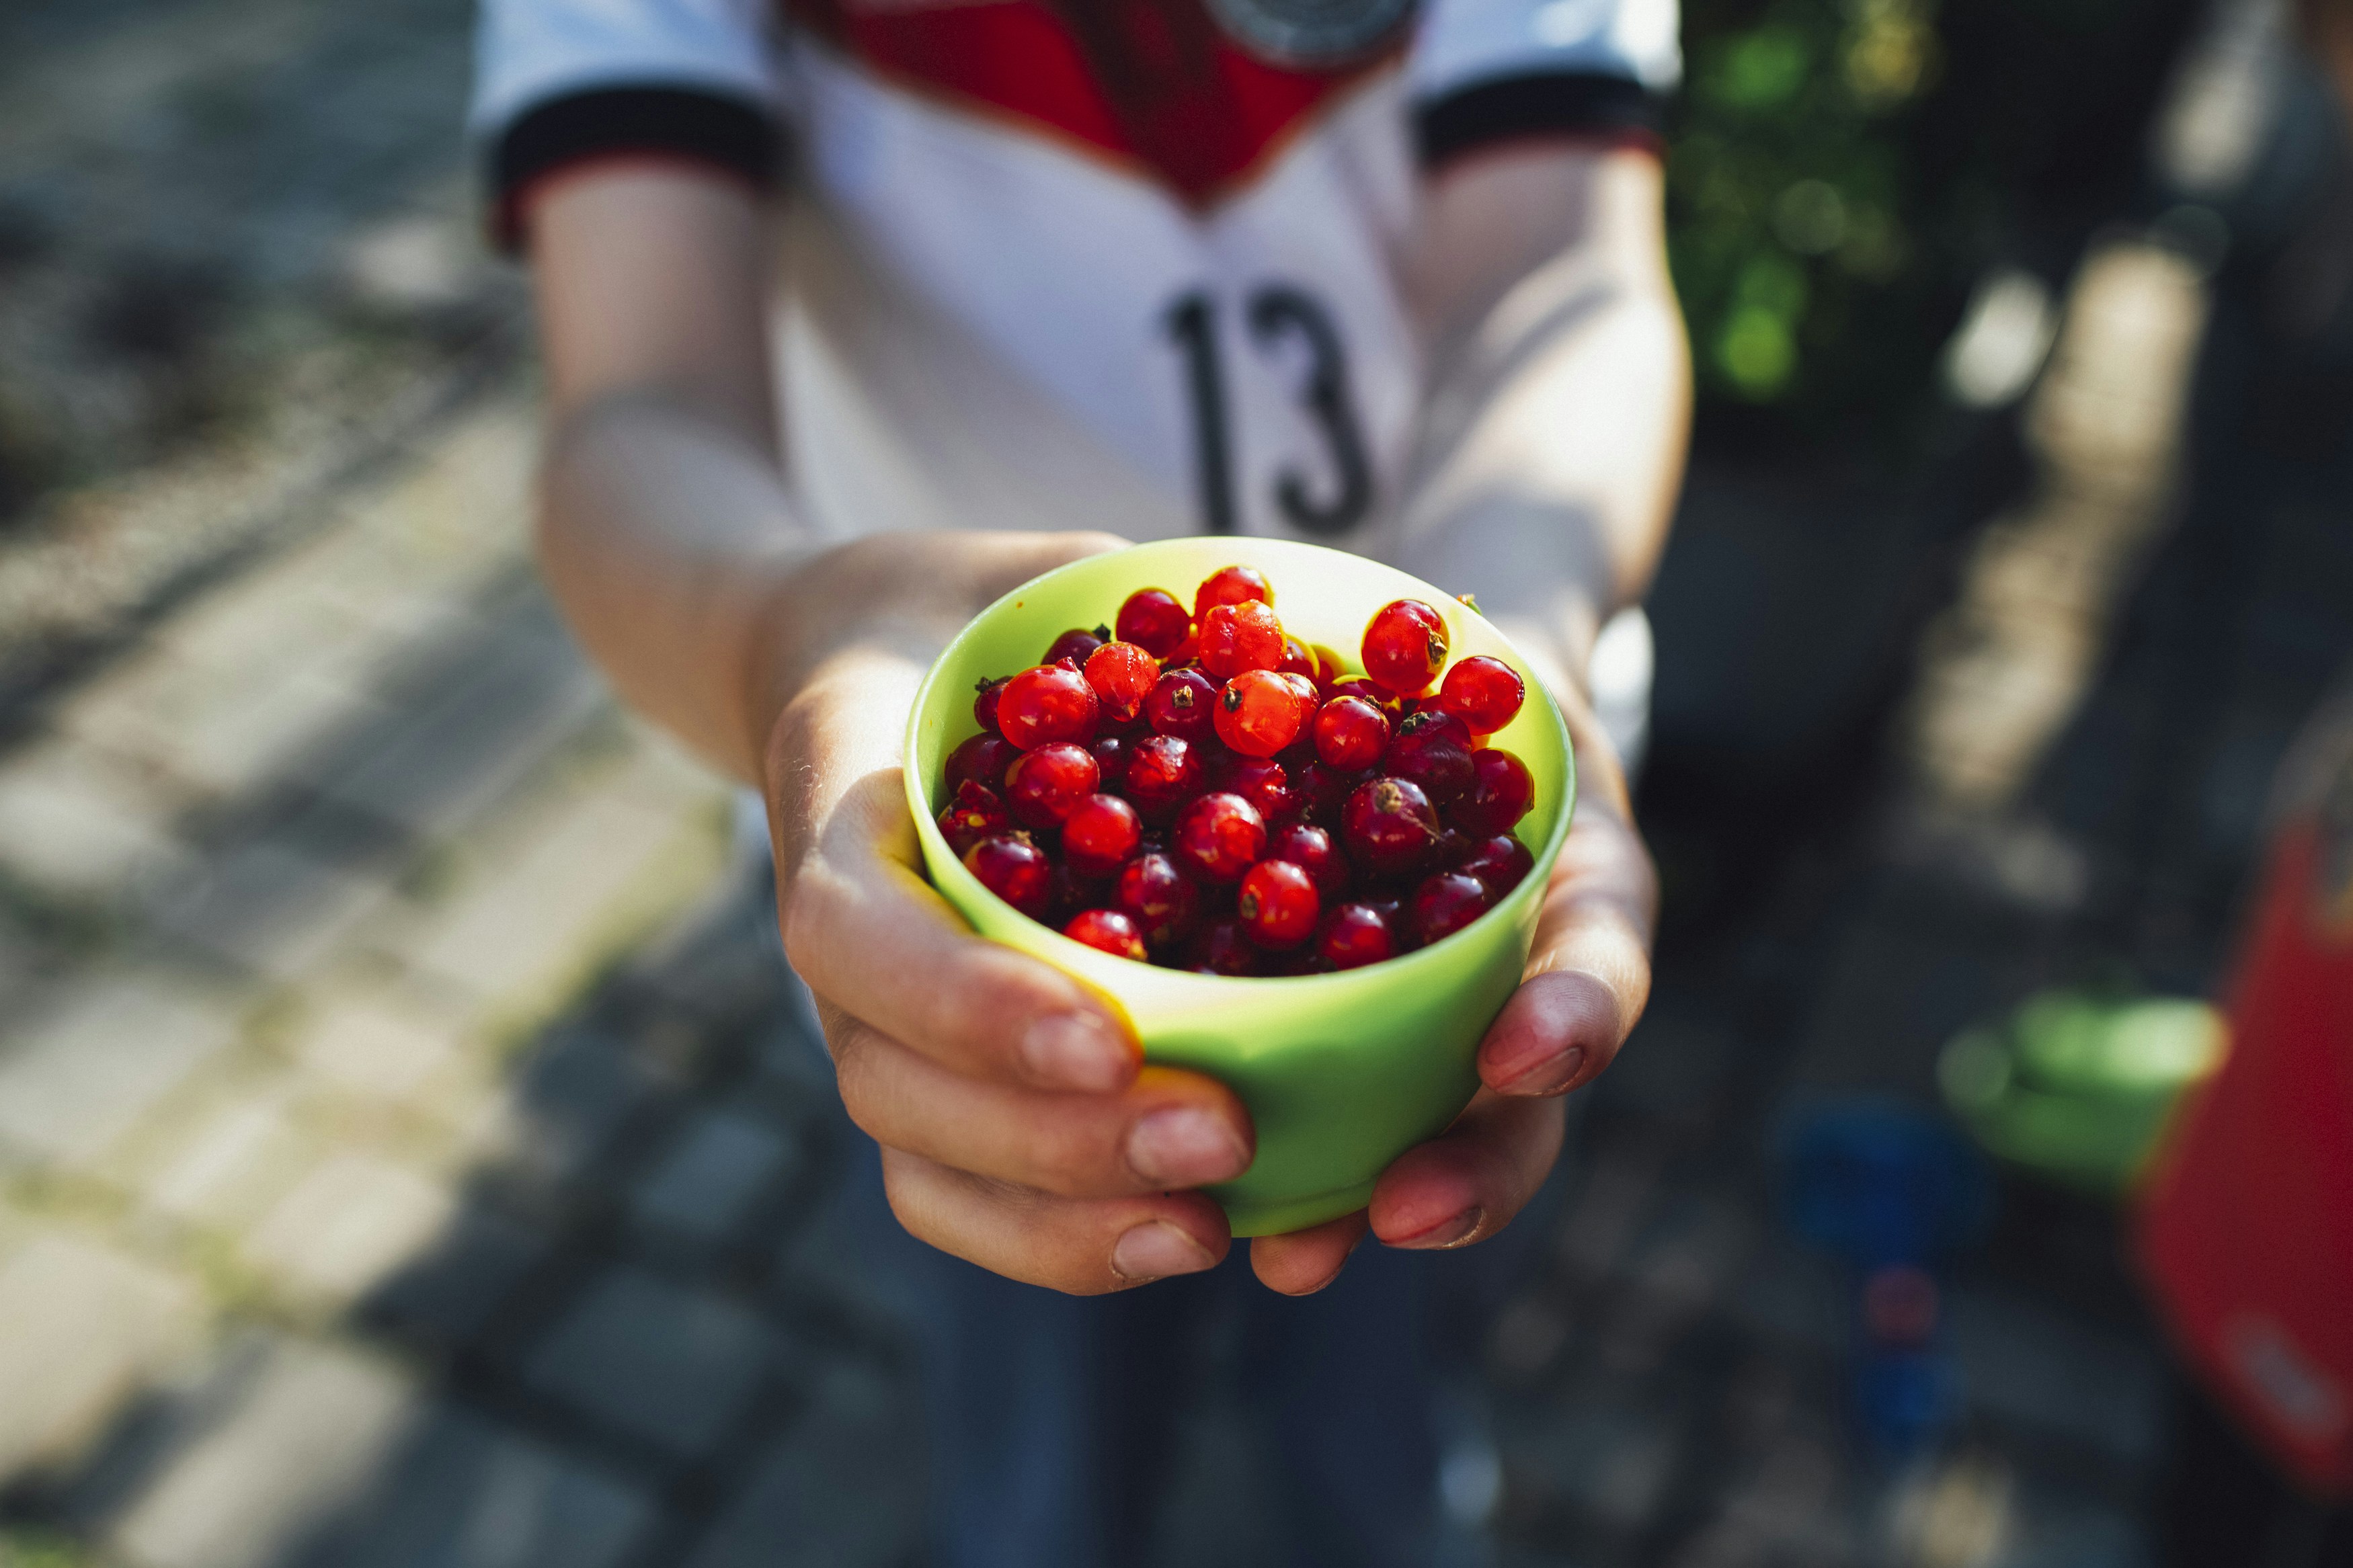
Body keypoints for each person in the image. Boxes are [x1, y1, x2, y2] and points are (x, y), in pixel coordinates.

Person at [469, 1, 1689, 1559]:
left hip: (1442, 955)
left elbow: (1561, 275)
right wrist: (783, 632)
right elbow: (635, 412)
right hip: (964, 951)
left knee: (1383, 1422)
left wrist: (1526, 633)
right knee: (1043, 1475)